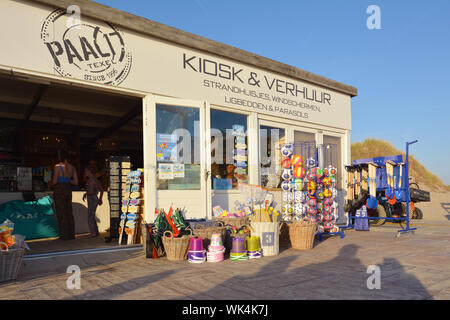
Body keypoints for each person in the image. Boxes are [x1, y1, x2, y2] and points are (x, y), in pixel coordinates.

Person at [49, 150, 78, 240]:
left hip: (59, 190)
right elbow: (76, 182)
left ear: (60, 157)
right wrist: (67, 180)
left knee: (61, 213)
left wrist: (49, 183)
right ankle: (71, 235)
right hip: (68, 190)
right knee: (69, 212)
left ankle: (64, 236)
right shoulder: (72, 167)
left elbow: (54, 181)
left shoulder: (57, 166)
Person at [82, 163, 104, 237]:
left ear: (89, 171)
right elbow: (101, 190)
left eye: (85, 171)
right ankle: (95, 232)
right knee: (92, 215)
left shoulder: (91, 180)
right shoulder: (96, 180)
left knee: (90, 216)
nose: (85, 173)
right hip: (95, 199)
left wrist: (85, 194)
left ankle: (93, 233)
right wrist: (100, 198)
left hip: (92, 199)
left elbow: (91, 192)